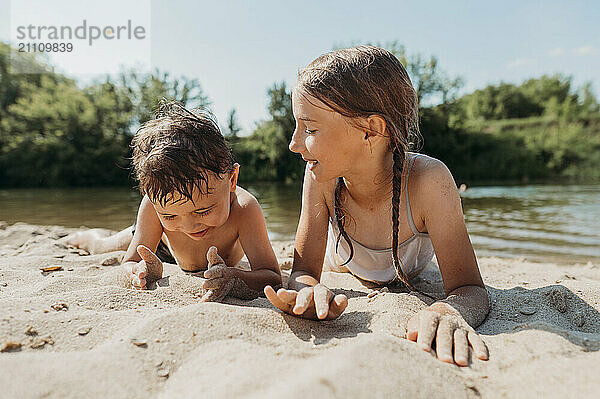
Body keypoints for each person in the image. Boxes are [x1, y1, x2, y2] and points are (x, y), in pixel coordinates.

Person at [264, 46, 489, 366]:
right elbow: (303, 271)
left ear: (371, 130)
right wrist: (308, 291)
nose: (294, 143)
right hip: (342, 262)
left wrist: (447, 311)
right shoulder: (321, 175)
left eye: (310, 129)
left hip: (409, 266)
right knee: (333, 264)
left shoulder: (429, 181)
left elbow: (469, 288)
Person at [67, 101, 281, 300]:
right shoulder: (153, 205)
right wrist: (138, 271)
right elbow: (130, 262)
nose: (188, 226)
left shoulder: (244, 209)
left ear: (232, 179)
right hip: (158, 244)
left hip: (190, 252)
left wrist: (234, 277)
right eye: (169, 214)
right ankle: (81, 236)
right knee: (103, 246)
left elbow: (272, 277)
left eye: (203, 211)